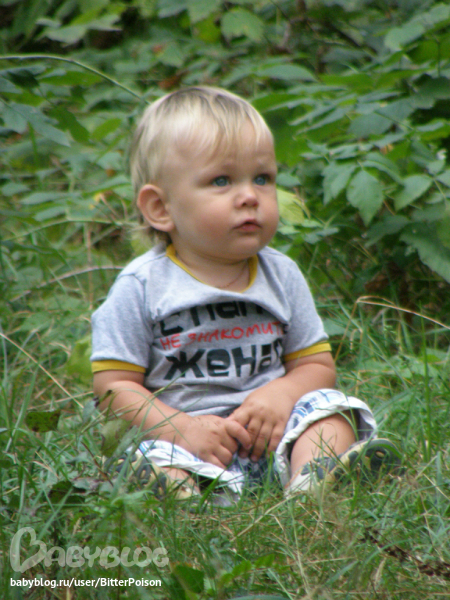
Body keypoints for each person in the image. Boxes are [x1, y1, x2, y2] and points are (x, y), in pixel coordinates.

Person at [90, 86, 399, 500]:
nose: (250, 196)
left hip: (274, 435)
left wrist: (281, 394)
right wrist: (180, 428)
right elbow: (113, 387)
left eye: (262, 178)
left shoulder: (281, 274)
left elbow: (316, 366)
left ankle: (313, 478)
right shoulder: (142, 286)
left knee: (334, 410)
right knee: (150, 458)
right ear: (161, 208)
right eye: (221, 180)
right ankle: (181, 492)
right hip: (189, 443)